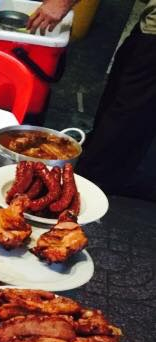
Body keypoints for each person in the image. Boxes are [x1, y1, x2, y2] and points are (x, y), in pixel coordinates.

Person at [74, 0, 156, 197]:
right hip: (149, 26)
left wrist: (62, 3)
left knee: (133, 106)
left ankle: (91, 181)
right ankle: (91, 164)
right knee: (120, 91)